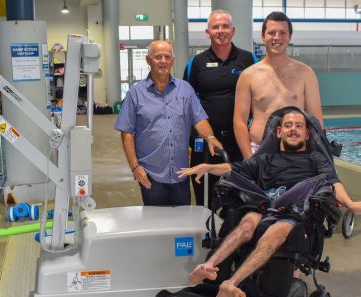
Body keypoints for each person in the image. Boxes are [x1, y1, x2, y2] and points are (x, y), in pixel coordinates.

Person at [178, 109, 361, 297]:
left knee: (274, 233)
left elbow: (332, 181)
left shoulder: (316, 159)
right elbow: (235, 168)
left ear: (307, 134)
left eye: (299, 126)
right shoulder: (265, 159)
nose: (293, 130)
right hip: (264, 204)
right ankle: (208, 266)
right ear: (279, 132)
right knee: (245, 226)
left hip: (295, 209)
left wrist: (350, 204)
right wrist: (207, 167)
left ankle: (230, 284)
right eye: (288, 126)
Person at [115, 40, 222, 206]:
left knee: (180, 224)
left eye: (167, 57)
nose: (163, 61)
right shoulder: (135, 94)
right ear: (148, 60)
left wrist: (211, 137)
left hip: (181, 173)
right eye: (158, 57)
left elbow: (199, 119)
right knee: (155, 224)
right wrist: (135, 167)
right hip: (151, 174)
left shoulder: (185, 89)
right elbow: (127, 132)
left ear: (172, 61)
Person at [183, 9, 257, 207]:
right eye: (215, 27)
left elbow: (260, 98)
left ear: (233, 31)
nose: (221, 31)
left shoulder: (249, 60)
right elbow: (187, 104)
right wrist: (192, 141)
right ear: (208, 32)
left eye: (225, 26)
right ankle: (206, 235)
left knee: (241, 194)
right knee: (204, 192)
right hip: (206, 141)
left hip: (239, 140)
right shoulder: (196, 63)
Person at [233, 11, 324, 159]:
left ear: (289, 37)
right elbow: (239, 121)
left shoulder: (306, 73)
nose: (277, 38)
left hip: (297, 153)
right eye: (272, 33)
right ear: (263, 36)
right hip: (259, 151)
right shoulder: (248, 76)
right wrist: (249, 158)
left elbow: (316, 119)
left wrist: (315, 154)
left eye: (282, 33)